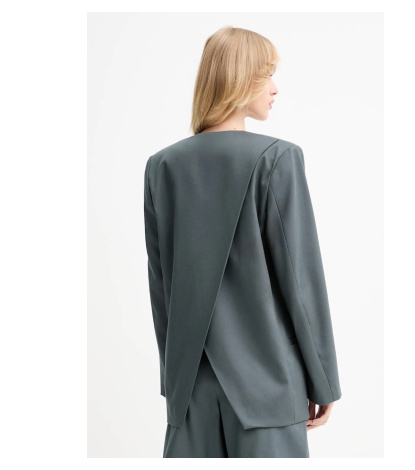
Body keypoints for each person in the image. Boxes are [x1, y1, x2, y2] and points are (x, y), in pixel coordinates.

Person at [144, 26, 342, 458]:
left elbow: (163, 291)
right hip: (269, 389)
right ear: (239, 79)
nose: (275, 88)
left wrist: (175, 384)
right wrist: (324, 379)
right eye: (266, 75)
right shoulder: (277, 158)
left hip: (190, 394)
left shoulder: (162, 166)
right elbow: (301, 281)